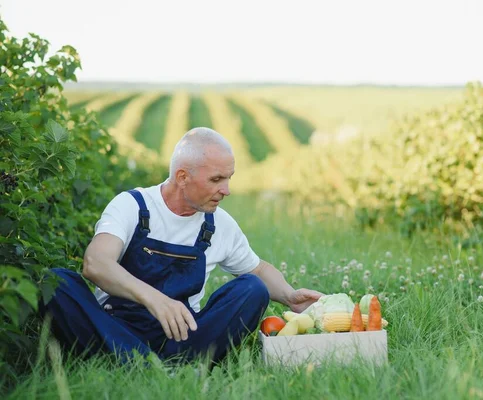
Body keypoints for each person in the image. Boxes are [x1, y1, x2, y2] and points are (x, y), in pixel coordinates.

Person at [42, 127, 323, 363]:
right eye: (216, 179)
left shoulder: (219, 224)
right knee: (54, 282)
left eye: (228, 178)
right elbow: (96, 263)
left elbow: (258, 269)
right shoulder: (133, 205)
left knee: (252, 288)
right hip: (113, 328)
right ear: (182, 177)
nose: (226, 190)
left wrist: (289, 295)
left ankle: (148, 363)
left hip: (181, 338)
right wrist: (155, 299)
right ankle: (145, 362)